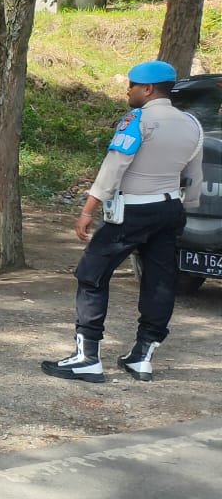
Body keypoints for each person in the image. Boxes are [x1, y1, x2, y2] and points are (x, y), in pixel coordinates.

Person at [41, 61, 203, 383]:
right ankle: (142, 357)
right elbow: (194, 175)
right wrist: (184, 210)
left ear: (148, 89)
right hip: (171, 210)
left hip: (133, 211)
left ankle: (87, 357)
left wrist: (88, 209)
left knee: (91, 274)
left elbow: (115, 166)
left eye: (132, 85)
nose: (128, 91)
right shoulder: (192, 124)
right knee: (159, 281)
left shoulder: (138, 120)